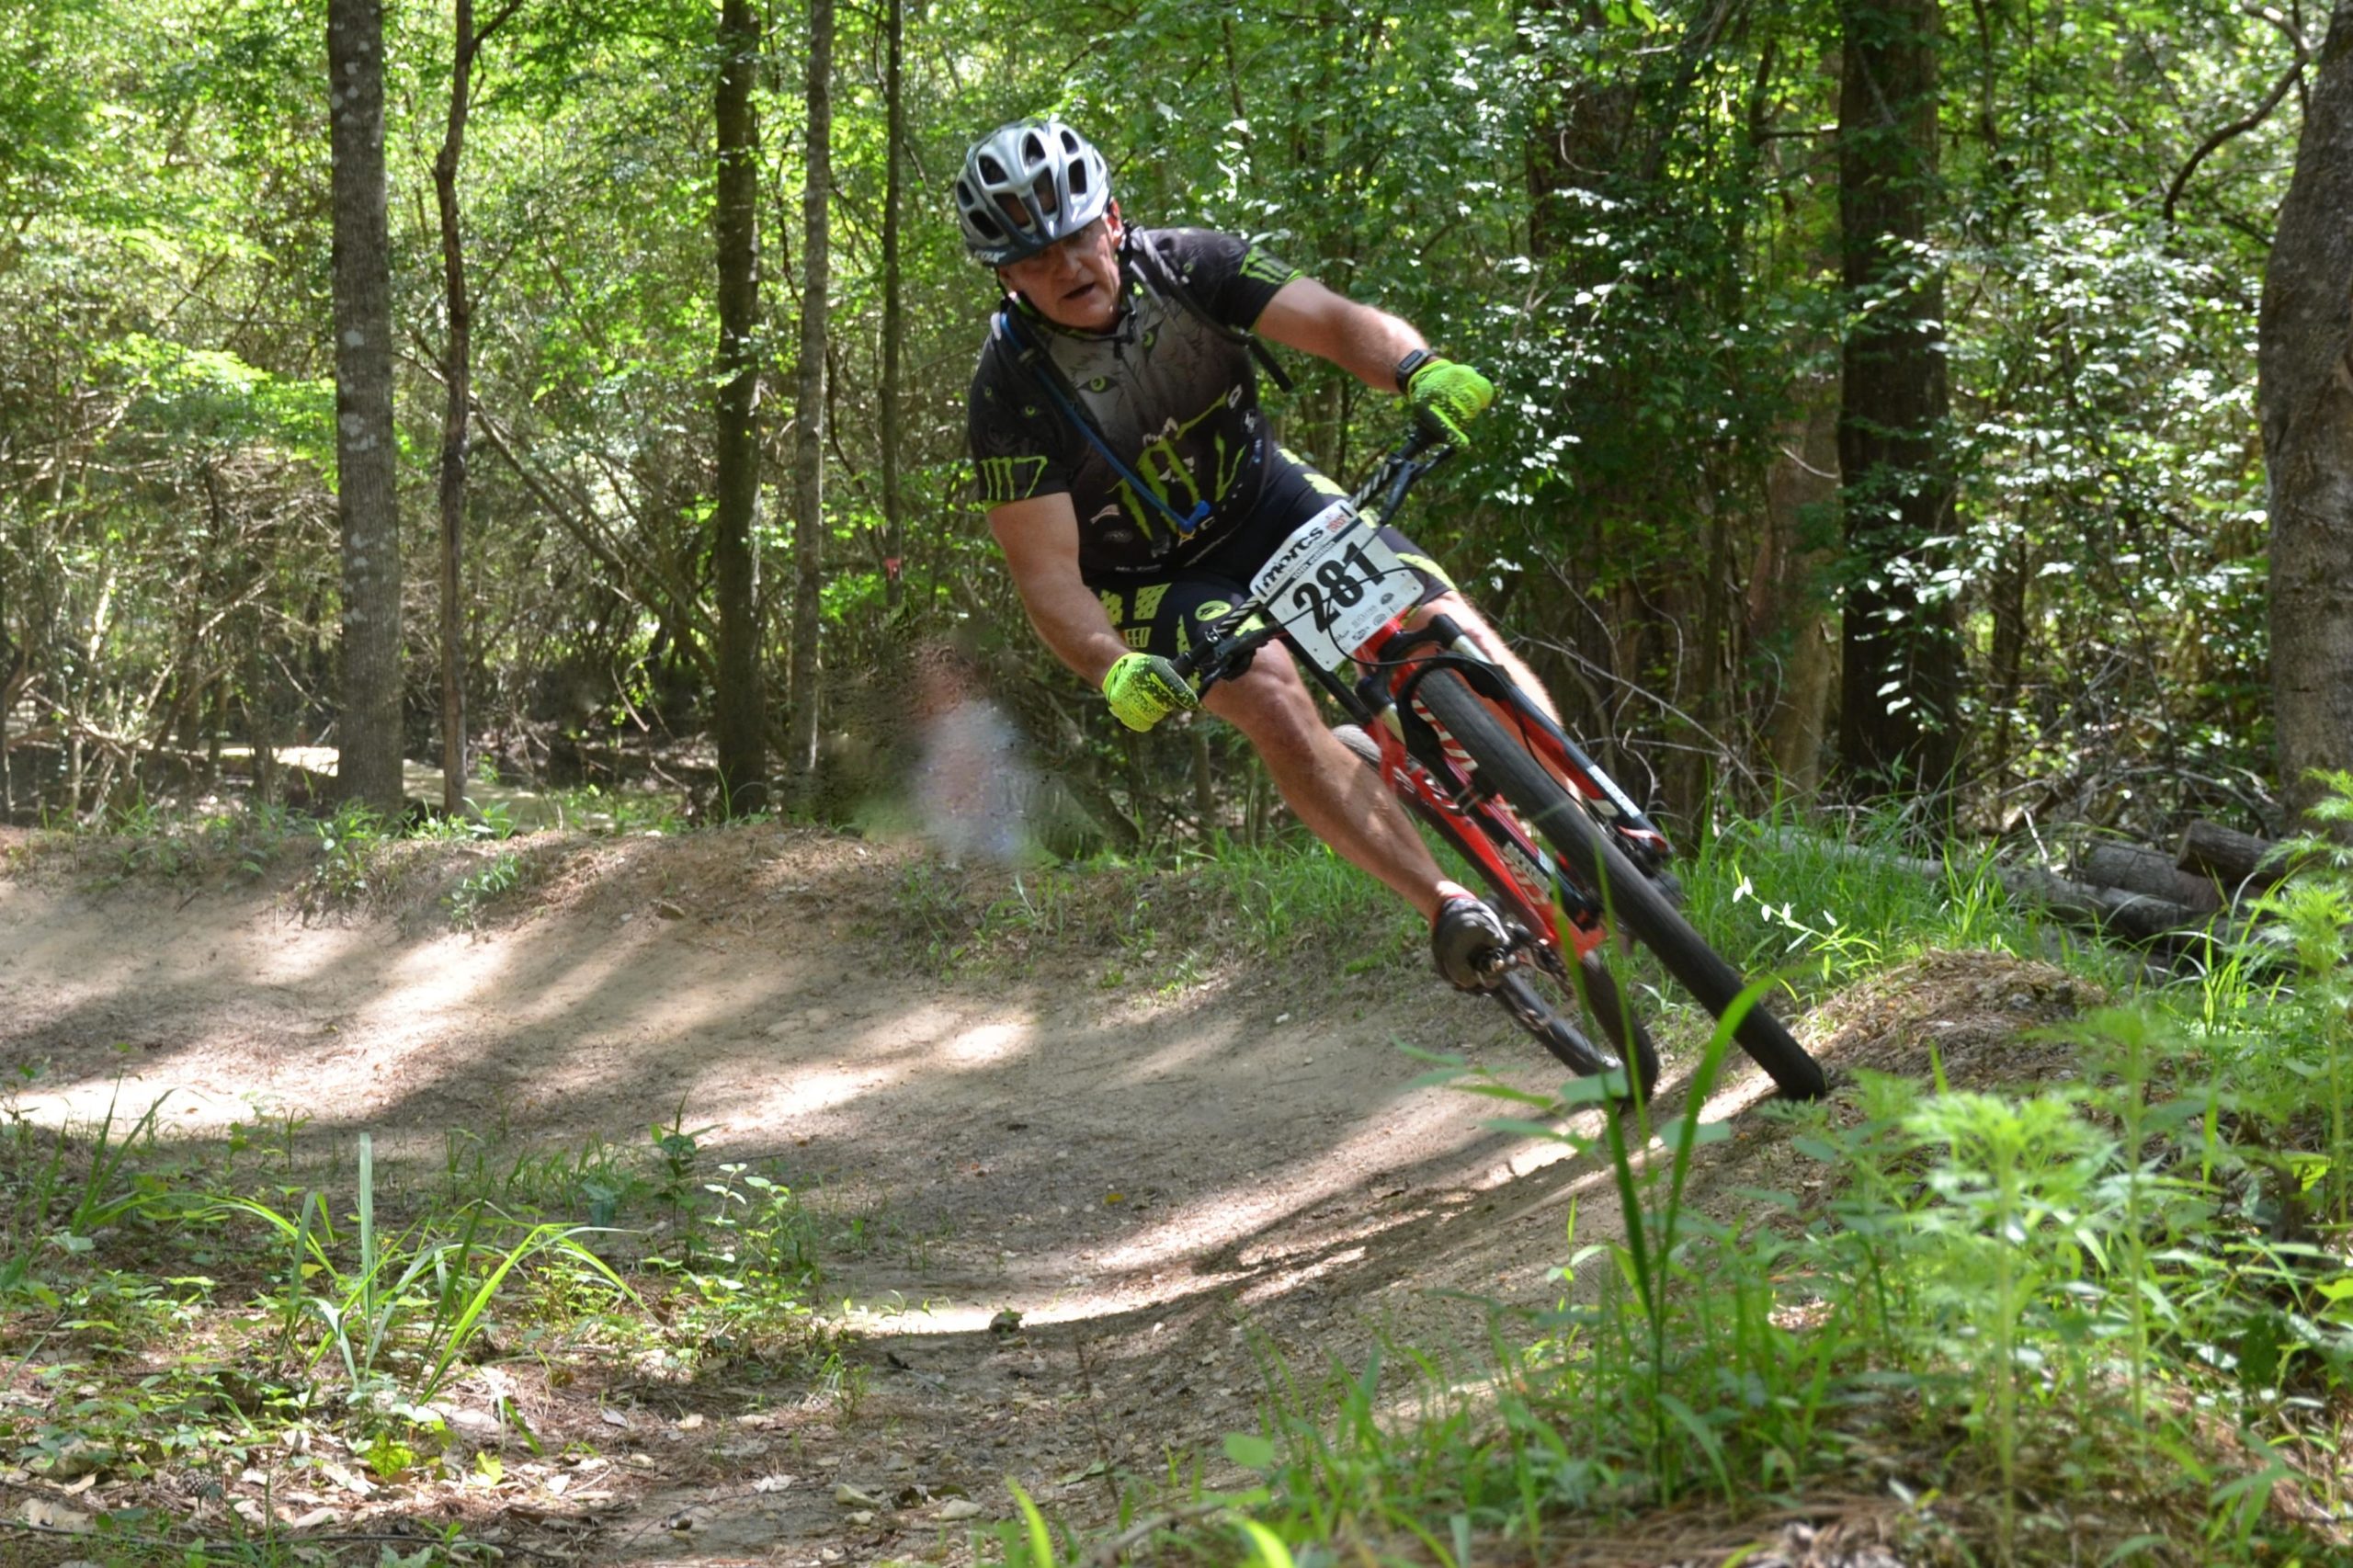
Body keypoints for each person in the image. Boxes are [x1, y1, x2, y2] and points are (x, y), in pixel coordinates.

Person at [958, 115, 1563, 994]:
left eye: (1078, 234)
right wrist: (1110, 668)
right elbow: (1047, 576)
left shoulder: (1192, 266)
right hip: (1153, 578)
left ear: (1113, 220)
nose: (1066, 266)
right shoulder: (1007, 392)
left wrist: (1416, 368)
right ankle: (1445, 905)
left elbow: (1335, 321)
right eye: (1034, 257)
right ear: (1006, 276)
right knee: (1270, 698)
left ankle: (1581, 817)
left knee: (1440, 629)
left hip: (1267, 501)